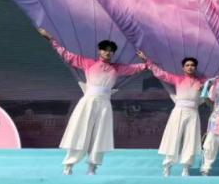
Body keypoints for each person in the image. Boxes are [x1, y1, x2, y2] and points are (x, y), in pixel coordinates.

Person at [38, 28, 147, 175]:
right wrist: (50, 38)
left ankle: (92, 167)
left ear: (113, 53)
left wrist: (145, 60)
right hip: (88, 102)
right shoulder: (88, 63)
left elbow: (142, 68)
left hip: (104, 105)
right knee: (81, 131)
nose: (107, 52)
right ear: (99, 51)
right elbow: (66, 54)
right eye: (105, 50)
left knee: (99, 135)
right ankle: (69, 165)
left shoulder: (118, 69)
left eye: (111, 51)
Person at [141, 53, 204, 177]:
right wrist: (147, 61)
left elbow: (218, 81)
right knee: (174, 138)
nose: (190, 67)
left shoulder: (202, 81)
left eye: (192, 65)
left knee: (190, 139)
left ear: (196, 68)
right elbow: (160, 74)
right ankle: (167, 165)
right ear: (183, 68)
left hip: (193, 112)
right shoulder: (177, 79)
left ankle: (186, 168)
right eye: (187, 65)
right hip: (179, 111)